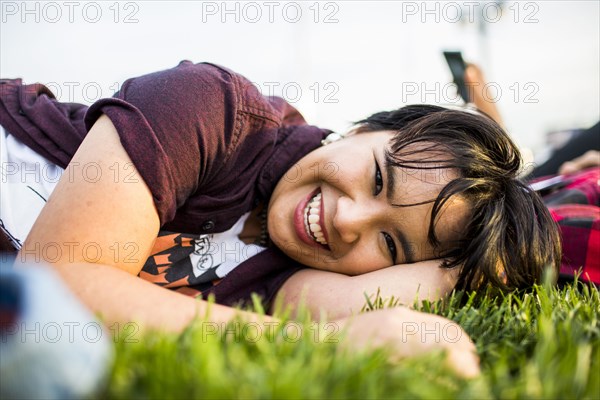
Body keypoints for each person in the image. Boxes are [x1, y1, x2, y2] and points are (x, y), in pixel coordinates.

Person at [0, 61, 561, 375]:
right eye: (377, 178)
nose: (348, 220)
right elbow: (56, 284)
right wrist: (332, 346)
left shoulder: (296, 274)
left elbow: (353, 308)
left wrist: (458, 267)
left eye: (390, 244)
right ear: (362, 130)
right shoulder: (214, 109)